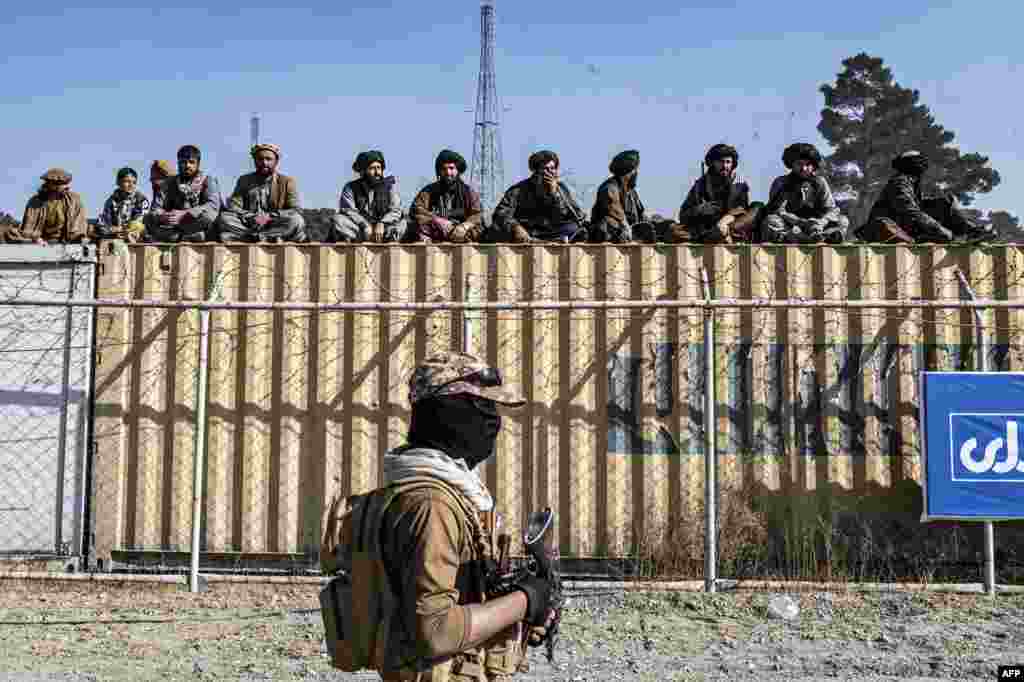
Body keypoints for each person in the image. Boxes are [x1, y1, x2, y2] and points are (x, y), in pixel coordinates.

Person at [321, 351, 558, 681]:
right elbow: (437, 631)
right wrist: (525, 599)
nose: (493, 420)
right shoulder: (432, 505)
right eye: (482, 407)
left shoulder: (427, 493)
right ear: (448, 412)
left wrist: (517, 614)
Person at [857, 150, 994, 243]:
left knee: (946, 202)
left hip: (906, 224)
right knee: (941, 209)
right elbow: (909, 210)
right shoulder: (900, 181)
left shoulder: (911, 182)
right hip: (891, 227)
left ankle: (970, 231)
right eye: (918, 161)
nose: (923, 165)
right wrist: (941, 230)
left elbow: (919, 209)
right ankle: (964, 233)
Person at [216, 143, 307, 243]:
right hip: (249, 223)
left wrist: (268, 217)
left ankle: (254, 237)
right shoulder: (244, 180)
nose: (264, 162)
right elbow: (234, 206)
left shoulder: (287, 181)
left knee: (296, 221)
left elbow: (295, 209)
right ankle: (265, 237)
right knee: (224, 218)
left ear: (276, 162)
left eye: (268, 159)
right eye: (260, 159)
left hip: (274, 223)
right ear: (255, 161)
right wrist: (251, 217)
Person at [761, 143, 849, 244]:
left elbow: (831, 209)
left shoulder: (820, 182)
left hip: (816, 227)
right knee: (771, 221)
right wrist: (800, 222)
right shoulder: (782, 182)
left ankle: (822, 237)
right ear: (792, 164)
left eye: (807, 165)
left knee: (842, 220)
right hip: (791, 227)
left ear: (813, 166)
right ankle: (801, 239)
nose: (804, 168)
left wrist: (821, 222)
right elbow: (777, 211)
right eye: (799, 164)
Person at [491, 150, 587, 243]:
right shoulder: (518, 190)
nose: (550, 172)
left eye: (553, 168)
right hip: (527, 232)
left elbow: (575, 216)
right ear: (536, 171)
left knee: (576, 229)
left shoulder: (561, 189)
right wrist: (514, 226)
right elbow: (500, 214)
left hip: (553, 232)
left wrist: (554, 194)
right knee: (495, 231)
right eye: (545, 169)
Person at [675, 144, 761, 243]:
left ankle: (724, 236)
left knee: (758, 206)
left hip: (731, 225)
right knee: (674, 230)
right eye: (721, 162)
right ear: (713, 163)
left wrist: (724, 221)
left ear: (733, 164)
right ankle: (713, 237)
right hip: (706, 229)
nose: (725, 166)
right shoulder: (701, 184)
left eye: (728, 162)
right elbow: (684, 215)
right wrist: (701, 209)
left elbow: (741, 209)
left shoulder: (739, 183)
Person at [146, 145, 222, 242]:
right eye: (183, 162)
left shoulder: (208, 180)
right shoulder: (169, 183)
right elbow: (156, 208)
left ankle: (179, 236)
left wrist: (185, 213)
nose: (187, 165)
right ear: (178, 163)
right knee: (148, 218)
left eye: (191, 162)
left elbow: (212, 205)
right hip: (174, 224)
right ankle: (184, 237)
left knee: (209, 216)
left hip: (196, 222)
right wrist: (164, 216)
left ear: (198, 164)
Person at [407, 150, 484, 243]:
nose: (448, 172)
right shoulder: (429, 191)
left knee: (480, 229)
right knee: (414, 226)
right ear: (439, 171)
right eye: (444, 169)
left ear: (457, 170)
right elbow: (416, 209)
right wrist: (438, 220)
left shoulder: (468, 192)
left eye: (451, 168)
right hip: (436, 231)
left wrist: (465, 226)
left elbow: (477, 214)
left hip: (460, 231)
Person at [331, 150, 404, 242]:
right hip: (361, 230)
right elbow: (348, 210)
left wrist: (382, 223)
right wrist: (364, 224)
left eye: (379, 168)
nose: (377, 172)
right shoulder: (351, 187)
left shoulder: (389, 187)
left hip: (384, 230)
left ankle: (388, 240)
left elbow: (396, 210)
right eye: (372, 168)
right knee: (338, 220)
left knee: (402, 224)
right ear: (363, 171)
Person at [9, 168, 89, 244]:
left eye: (63, 183)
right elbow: (28, 226)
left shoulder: (74, 199)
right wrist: (36, 238)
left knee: (94, 231)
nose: (61, 186)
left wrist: (79, 236)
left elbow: (79, 223)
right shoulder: (35, 201)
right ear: (48, 183)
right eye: (57, 183)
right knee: (11, 232)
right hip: (41, 240)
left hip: (67, 239)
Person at [589, 150, 647, 244]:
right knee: (610, 223)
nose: (637, 172)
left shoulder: (631, 192)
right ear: (628, 172)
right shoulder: (609, 187)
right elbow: (615, 209)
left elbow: (641, 216)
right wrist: (626, 226)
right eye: (635, 169)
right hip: (608, 235)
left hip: (630, 234)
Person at [96, 167, 149, 242]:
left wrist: (122, 229)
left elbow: (139, 221)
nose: (131, 185)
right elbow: (105, 221)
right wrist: (113, 230)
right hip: (115, 234)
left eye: (134, 182)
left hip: (134, 235)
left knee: (137, 227)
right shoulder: (111, 201)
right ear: (118, 182)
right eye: (127, 181)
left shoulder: (141, 200)